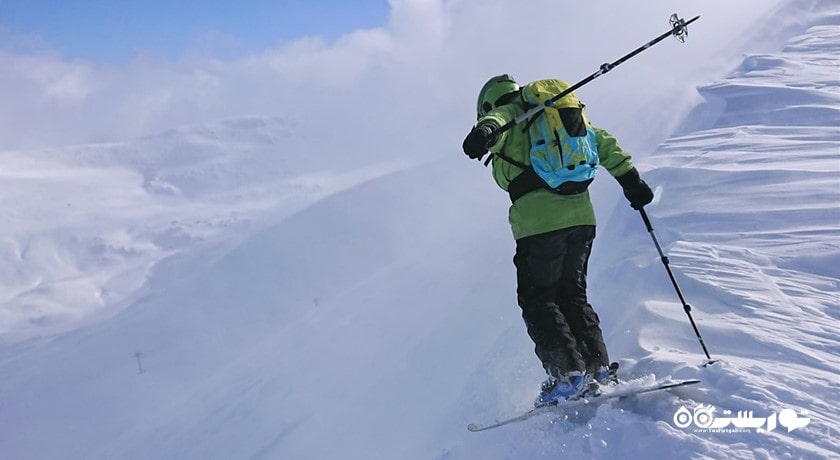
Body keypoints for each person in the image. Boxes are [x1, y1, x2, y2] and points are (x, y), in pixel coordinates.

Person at [461, 74, 654, 406]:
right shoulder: (559, 117)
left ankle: (568, 377)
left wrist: (483, 131)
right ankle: (598, 370)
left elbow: (497, 121)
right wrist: (632, 182)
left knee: (539, 300)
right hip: (582, 220)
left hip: (540, 225)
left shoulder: (510, 116)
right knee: (572, 296)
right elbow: (603, 142)